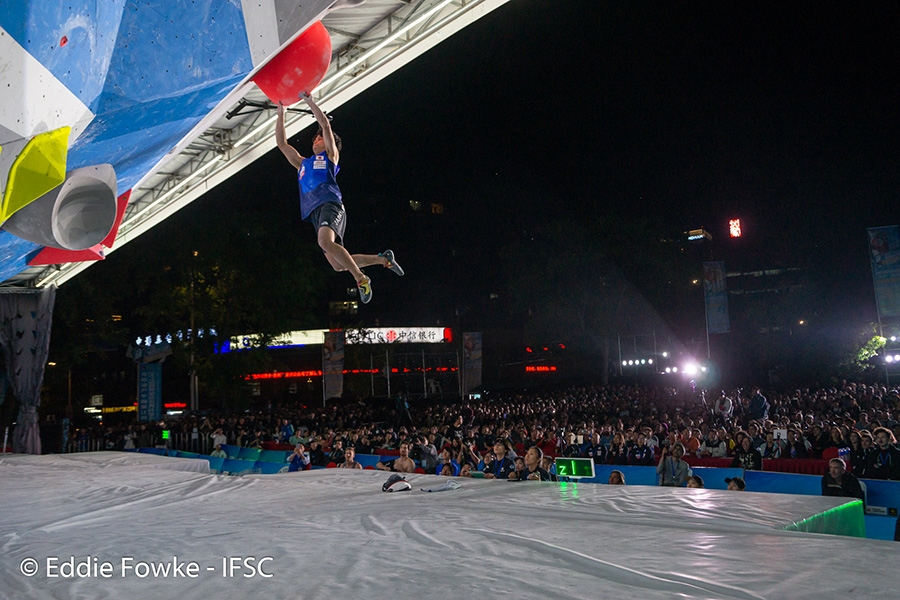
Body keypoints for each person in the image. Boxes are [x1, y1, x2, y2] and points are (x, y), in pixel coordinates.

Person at [275, 93, 403, 304]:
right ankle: (383, 259)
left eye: (319, 138)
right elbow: (282, 143)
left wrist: (309, 101)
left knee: (325, 241)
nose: (315, 139)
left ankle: (361, 279)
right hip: (315, 213)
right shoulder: (302, 163)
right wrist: (281, 114)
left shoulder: (330, 158)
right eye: (314, 138)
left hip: (330, 205)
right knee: (338, 265)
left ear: (329, 143)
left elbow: (325, 125)